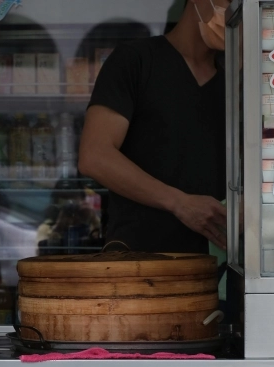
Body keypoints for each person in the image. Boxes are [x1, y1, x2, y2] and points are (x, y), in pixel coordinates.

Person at [78, 0, 229, 254]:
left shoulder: (234, 83)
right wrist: (179, 203)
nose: (238, 11)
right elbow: (95, 156)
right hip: (139, 260)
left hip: (215, 265)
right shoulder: (135, 61)